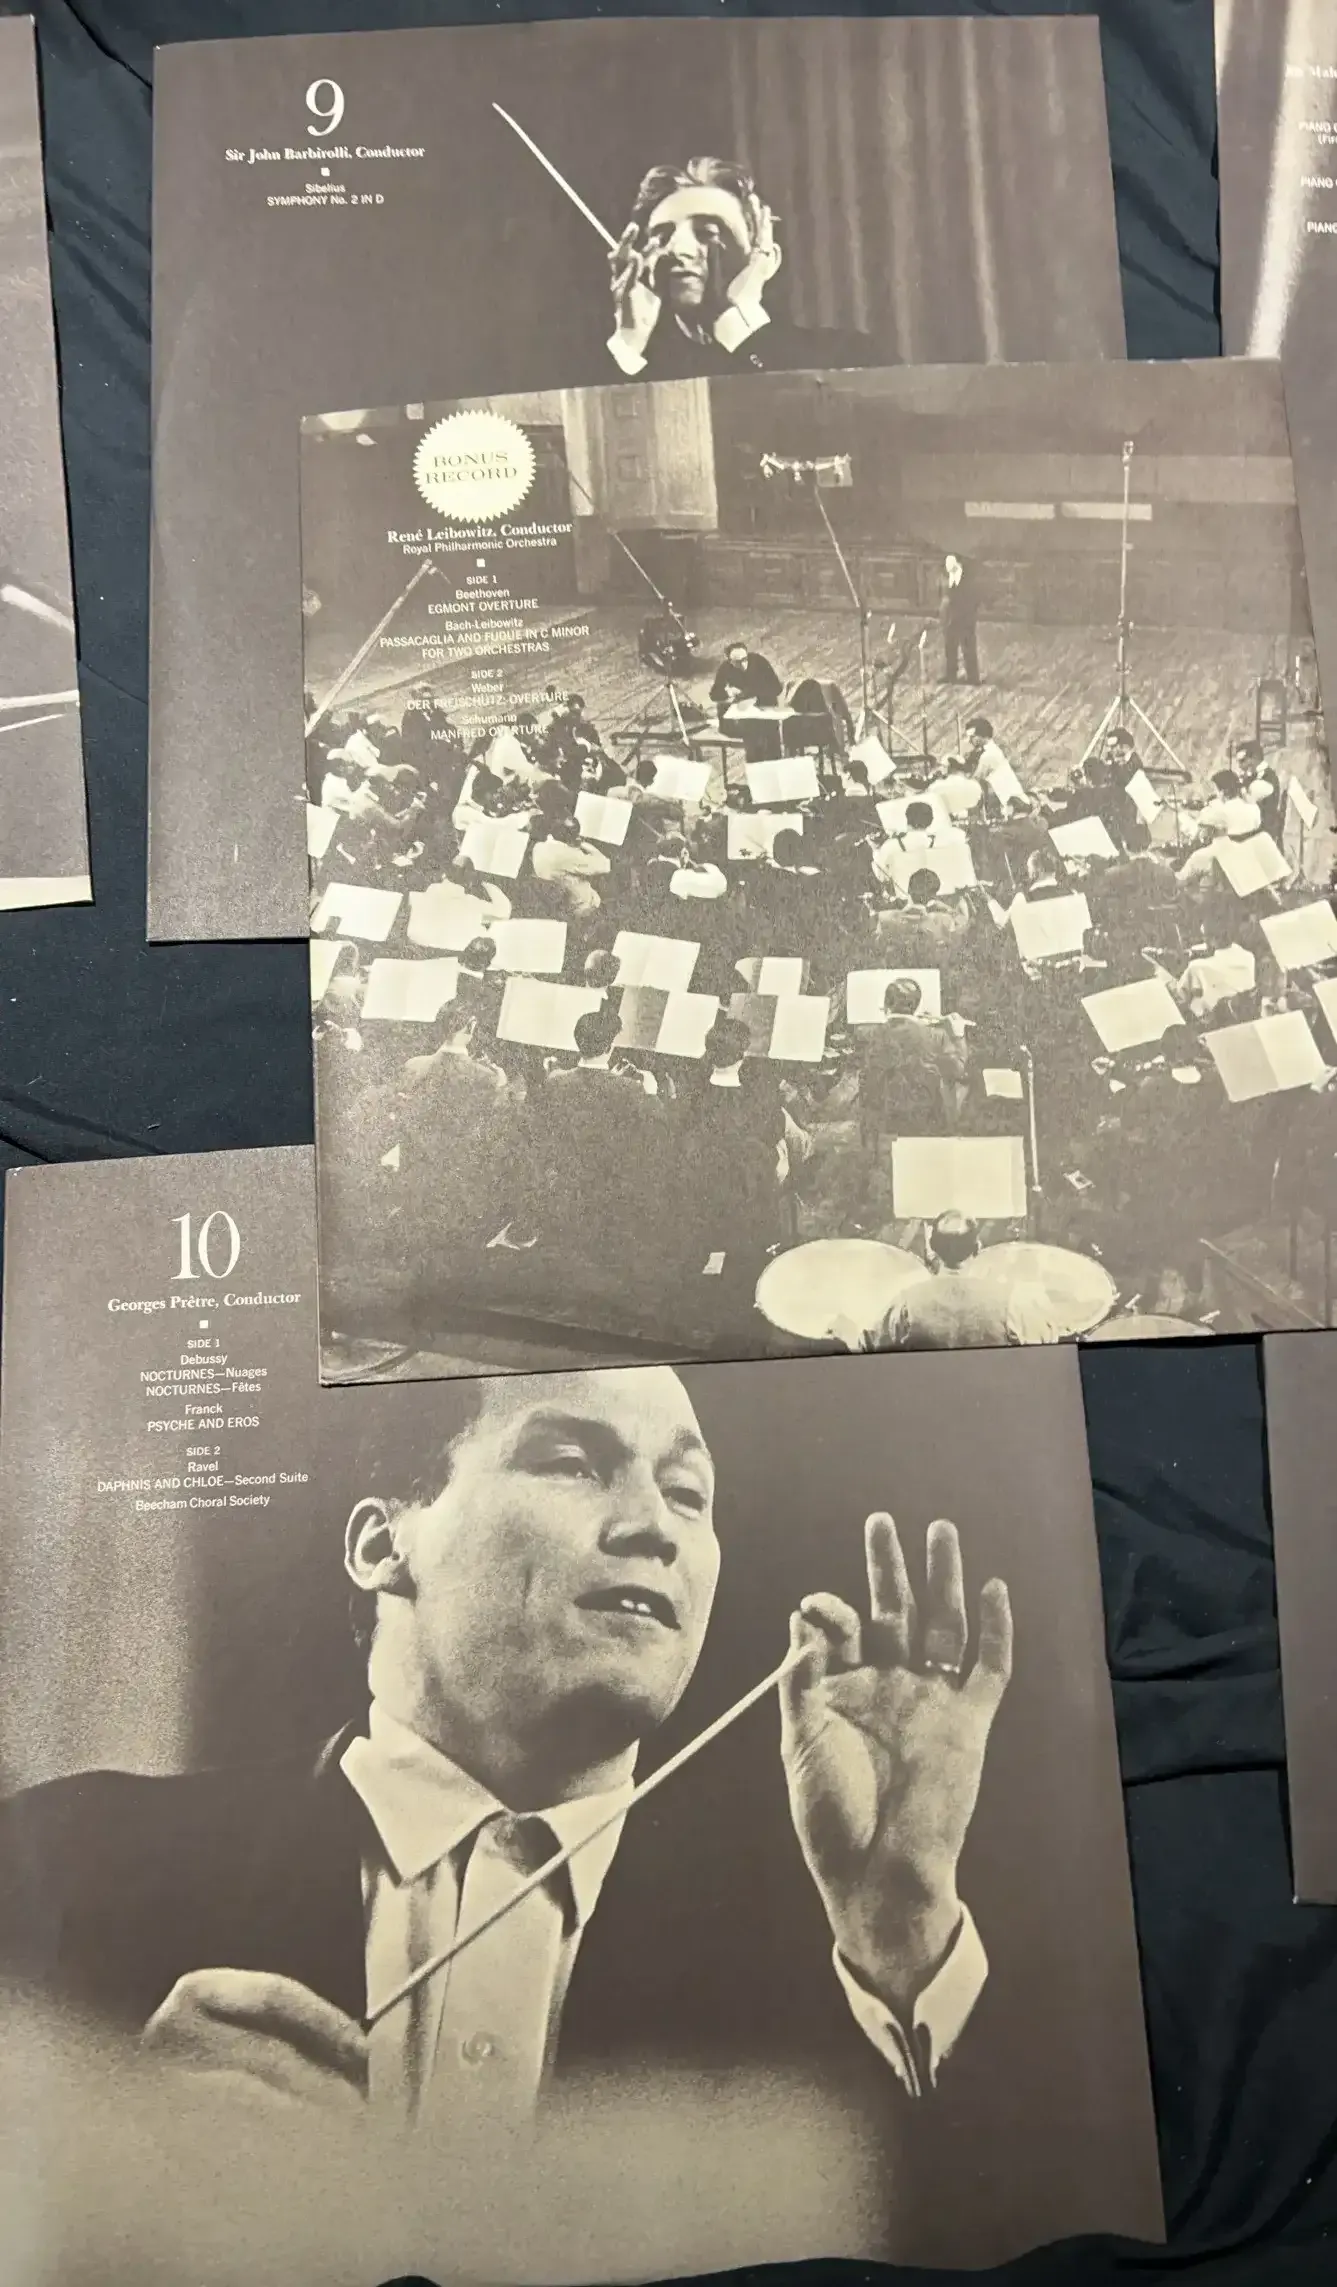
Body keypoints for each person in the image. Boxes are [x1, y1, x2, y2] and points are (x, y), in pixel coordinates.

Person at [0, 1368, 1011, 2158]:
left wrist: (903, 1928)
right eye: (572, 1463)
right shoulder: (68, 1857)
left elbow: (1009, 2235)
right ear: (382, 1545)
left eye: (687, 1492)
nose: (654, 1527)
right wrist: (100, 2147)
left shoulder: (832, 1966)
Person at [606, 158, 867, 379]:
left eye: (707, 232)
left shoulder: (850, 357)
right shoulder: (636, 367)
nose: (676, 250)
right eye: (661, 238)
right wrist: (628, 342)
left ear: (767, 259)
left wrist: (740, 320)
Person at [859, 1214, 1062, 1350]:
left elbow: (870, 1346)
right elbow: (1047, 1343)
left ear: (932, 1249)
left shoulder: (905, 1304)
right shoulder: (1012, 1302)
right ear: (977, 1247)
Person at [939, 556, 980, 687]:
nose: (947, 567)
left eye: (949, 564)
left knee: (968, 647)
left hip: (965, 618)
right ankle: (951, 675)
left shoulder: (968, 578)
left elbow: (973, 600)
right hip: (950, 619)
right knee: (950, 647)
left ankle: (973, 677)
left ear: (956, 563)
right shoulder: (947, 577)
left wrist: (967, 615)